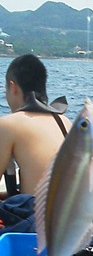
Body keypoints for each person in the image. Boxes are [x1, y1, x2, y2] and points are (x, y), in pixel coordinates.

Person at [0, 54, 71, 197]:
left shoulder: (9, 124)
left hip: (37, 211)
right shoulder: (64, 122)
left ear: (13, 87)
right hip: (66, 209)